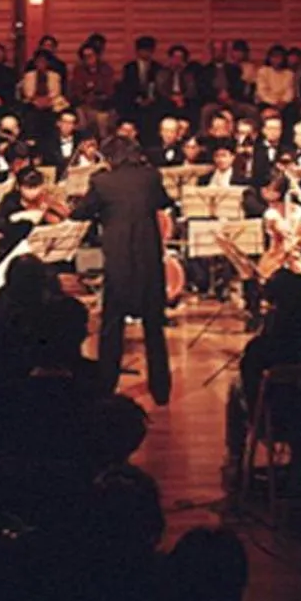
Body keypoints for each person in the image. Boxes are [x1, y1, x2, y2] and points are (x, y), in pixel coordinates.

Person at [75, 134, 176, 405]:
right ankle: (161, 389)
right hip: (149, 262)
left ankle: (107, 386)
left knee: (112, 327)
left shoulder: (101, 181)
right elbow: (163, 202)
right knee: (154, 328)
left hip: (119, 263)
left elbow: (82, 212)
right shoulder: (150, 176)